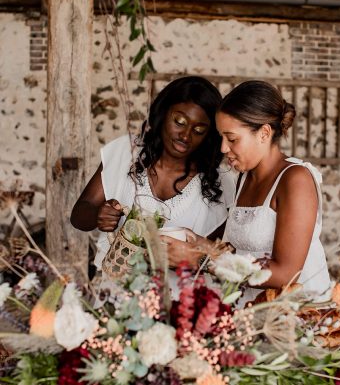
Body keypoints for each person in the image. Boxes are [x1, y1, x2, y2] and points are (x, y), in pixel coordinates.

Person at [70, 76, 235, 274]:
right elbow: (79, 215)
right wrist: (98, 215)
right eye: (179, 122)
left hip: (179, 299)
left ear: (209, 135)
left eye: (199, 130)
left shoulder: (218, 182)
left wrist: (190, 255)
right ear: (163, 113)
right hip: (114, 291)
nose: (185, 135)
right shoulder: (127, 152)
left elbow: (218, 255)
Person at [216, 80, 330, 303]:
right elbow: (234, 249)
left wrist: (206, 263)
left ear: (264, 133)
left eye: (232, 139)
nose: (223, 148)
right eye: (221, 137)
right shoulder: (244, 177)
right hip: (254, 313)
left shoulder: (295, 180)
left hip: (299, 317)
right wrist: (191, 243)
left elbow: (286, 274)